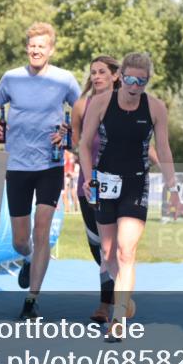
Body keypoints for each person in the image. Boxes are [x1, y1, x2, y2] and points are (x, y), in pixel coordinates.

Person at [79, 52, 183, 341]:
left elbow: (163, 151)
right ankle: (126, 301)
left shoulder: (155, 108)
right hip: (104, 182)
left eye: (141, 81)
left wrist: (173, 190)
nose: (134, 85)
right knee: (108, 253)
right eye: (129, 79)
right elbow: (84, 144)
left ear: (147, 81)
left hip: (136, 183)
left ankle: (118, 319)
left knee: (126, 250)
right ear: (120, 77)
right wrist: (89, 177)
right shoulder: (101, 102)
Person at [0, 22, 81, 320]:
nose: (36, 50)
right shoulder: (11, 78)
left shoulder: (65, 80)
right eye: (32, 45)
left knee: (42, 231)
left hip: (50, 165)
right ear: (27, 48)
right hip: (16, 166)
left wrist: (69, 132)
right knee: (19, 239)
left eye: (42, 46)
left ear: (51, 50)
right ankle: (26, 259)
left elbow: (81, 115)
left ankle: (31, 300)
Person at [70, 55, 121, 324]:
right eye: (93, 72)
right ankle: (111, 293)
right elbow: (77, 143)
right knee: (96, 246)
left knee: (116, 246)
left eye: (102, 72)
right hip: (88, 183)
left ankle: (107, 304)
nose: (97, 76)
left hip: (121, 184)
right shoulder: (81, 105)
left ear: (115, 75)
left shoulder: (128, 102)